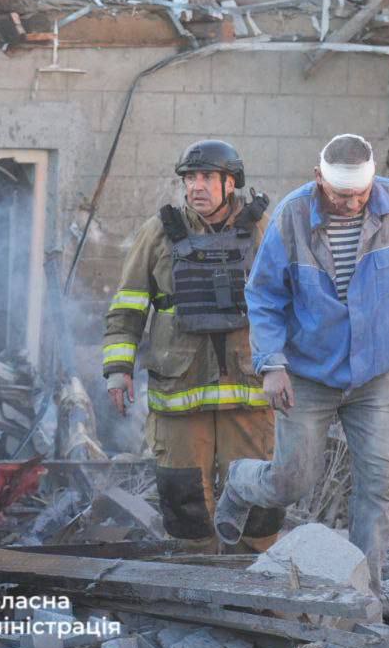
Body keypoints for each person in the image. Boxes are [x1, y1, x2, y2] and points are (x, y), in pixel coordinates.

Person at [214, 133, 389, 597]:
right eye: (341, 195)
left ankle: (365, 593)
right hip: (308, 374)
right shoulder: (292, 216)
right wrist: (271, 364)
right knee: (292, 482)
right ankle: (241, 483)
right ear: (319, 178)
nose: (351, 203)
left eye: (360, 194)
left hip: (372, 377)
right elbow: (263, 296)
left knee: (378, 487)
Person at [103, 140, 282, 552]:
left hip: (249, 392)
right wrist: (118, 367)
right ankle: (195, 583)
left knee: (257, 498)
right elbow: (127, 305)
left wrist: (289, 368)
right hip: (179, 390)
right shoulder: (158, 232)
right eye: (189, 178)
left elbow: (290, 302)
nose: (196, 186)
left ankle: (255, 585)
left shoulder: (263, 229)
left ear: (230, 182)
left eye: (206, 177)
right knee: (183, 498)